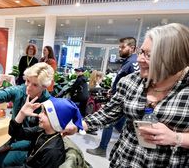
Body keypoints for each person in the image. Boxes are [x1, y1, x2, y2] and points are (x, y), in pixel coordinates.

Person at [63, 23, 189, 167]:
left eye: (149, 55)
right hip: (126, 160)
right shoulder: (131, 81)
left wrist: (176, 138)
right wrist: (79, 125)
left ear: (174, 58)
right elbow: (108, 113)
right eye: (141, 52)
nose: (140, 59)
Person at [86, 37, 139, 157]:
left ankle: (102, 149)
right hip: (117, 99)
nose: (119, 49)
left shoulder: (133, 63)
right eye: (119, 47)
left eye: (123, 47)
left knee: (109, 123)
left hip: (122, 103)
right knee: (120, 126)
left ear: (132, 48)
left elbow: (135, 85)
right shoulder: (127, 62)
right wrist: (113, 89)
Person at [9, 96, 85, 168]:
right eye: (41, 111)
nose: (39, 115)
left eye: (45, 113)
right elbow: (15, 133)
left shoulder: (53, 152)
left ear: (55, 120)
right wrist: (22, 113)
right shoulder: (42, 130)